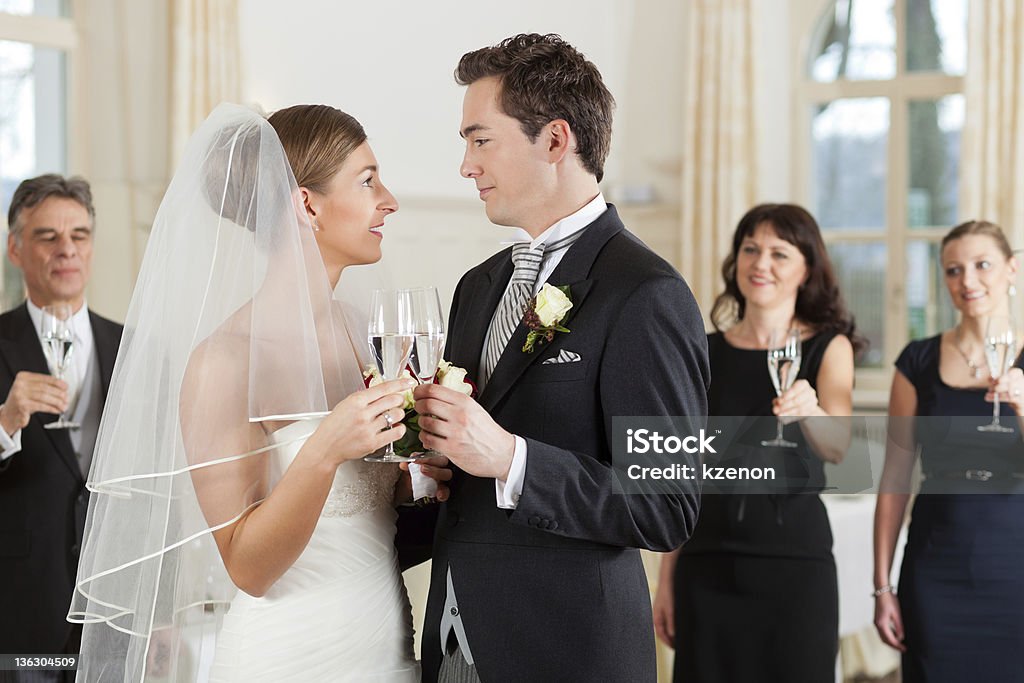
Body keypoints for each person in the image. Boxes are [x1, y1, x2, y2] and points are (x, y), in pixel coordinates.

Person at [69, 104, 433, 681]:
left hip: (387, 650)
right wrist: (324, 448)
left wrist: (432, 477)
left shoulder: (371, 336)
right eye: (367, 181)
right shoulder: (222, 361)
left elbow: (377, 513)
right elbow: (248, 568)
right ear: (307, 205)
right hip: (284, 658)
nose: (389, 200)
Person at [409, 34, 708, 682]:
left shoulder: (647, 294)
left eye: (480, 139)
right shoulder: (478, 285)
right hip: (453, 645)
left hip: (567, 650)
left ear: (554, 140)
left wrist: (511, 459)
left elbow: (668, 503)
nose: (466, 165)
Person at [652, 203, 858, 682]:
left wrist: (810, 411)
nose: (760, 264)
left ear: (807, 269)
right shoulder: (702, 351)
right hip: (707, 568)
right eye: (751, 249)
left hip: (795, 569)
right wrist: (666, 581)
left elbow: (839, 449)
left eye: (779, 253)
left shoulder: (830, 347)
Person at [874, 220, 1024, 682]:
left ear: (1012, 270)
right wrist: (882, 587)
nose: (968, 281)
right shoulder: (917, 361)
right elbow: (895, 478)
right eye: (954, 270)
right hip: (936, 569)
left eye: (983, 265)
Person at [0, 175, 122, 680]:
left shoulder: (132, 347)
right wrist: (6, 421)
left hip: (114, 608)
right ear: (15, 248)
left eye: (79, 235)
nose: (66, 249)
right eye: (48, 236)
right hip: (21, 606)